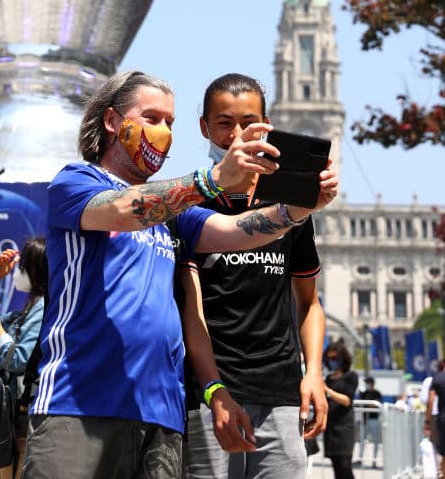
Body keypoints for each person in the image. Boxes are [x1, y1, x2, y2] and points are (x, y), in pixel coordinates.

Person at [21, 69, 338, 479]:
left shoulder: (175, 216)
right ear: (113, 120)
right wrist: (212, 179)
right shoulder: (77, 181)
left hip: (159, 413)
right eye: (151, 118)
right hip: (80, 403)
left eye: (170, 122)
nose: (163, 132)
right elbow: (123, 209)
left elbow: (234, 232)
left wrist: (299, 208)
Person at [180, 73, 328, 479]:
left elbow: (309, 302)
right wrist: (213, 390)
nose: (238, 134)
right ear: (205, 128)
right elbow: (190, 314)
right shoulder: (190, 203)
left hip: (282, 394)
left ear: (267, 125)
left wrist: (313, 372)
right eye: (225, 123)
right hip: (210, 397)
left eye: (249, 122)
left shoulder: (291, 207)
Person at [0, 236, 48, 479]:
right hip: (5, 425)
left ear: (37, 271)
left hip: (21, 423)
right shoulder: (28, 307)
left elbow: (18, 360)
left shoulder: (43, 306)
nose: (19, 271)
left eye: (23, 266)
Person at [323, 340, 358, 479]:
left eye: (335, 359)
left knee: (345, 468)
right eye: (329, 359)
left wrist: (328, 390)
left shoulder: (351, 376)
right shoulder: (328, 378)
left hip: (344, 429)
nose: (332, 361)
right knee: (337, 469)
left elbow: (347, 400)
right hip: (331, 429)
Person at [425, 359, 445, 479]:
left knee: (444, 453)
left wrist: (427, 421)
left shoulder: (437, 378)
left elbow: (431, 400)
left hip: (443, 418)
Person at [357, 376, 382, 468]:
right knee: (362, 440)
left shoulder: (377, 393)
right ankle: (360, 459)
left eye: (367, 382)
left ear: (371, 383)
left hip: (374, 420)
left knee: (375, 441)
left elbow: (376, 405)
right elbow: (360, 405)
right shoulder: (364, 393)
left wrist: (367, 404)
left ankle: (374, 460)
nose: (366, 384)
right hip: (365, 420)